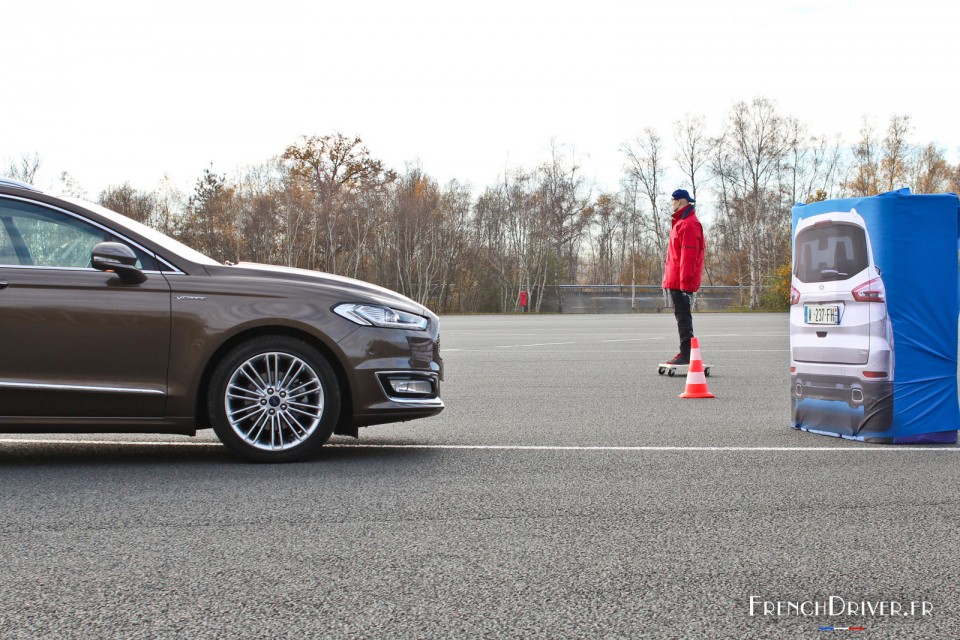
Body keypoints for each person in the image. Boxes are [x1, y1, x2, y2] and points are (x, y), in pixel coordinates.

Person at [662, 189, 705, 365]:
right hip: (676, 279)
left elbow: (689, 256)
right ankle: (685, 352)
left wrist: (685, 285)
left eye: (672, 201)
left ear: (680, 201)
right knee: (681, 316)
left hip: (681, 282)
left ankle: (686, 354)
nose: (671, 204)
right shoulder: (681, 223)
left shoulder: (688, 224)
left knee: (683, 317)